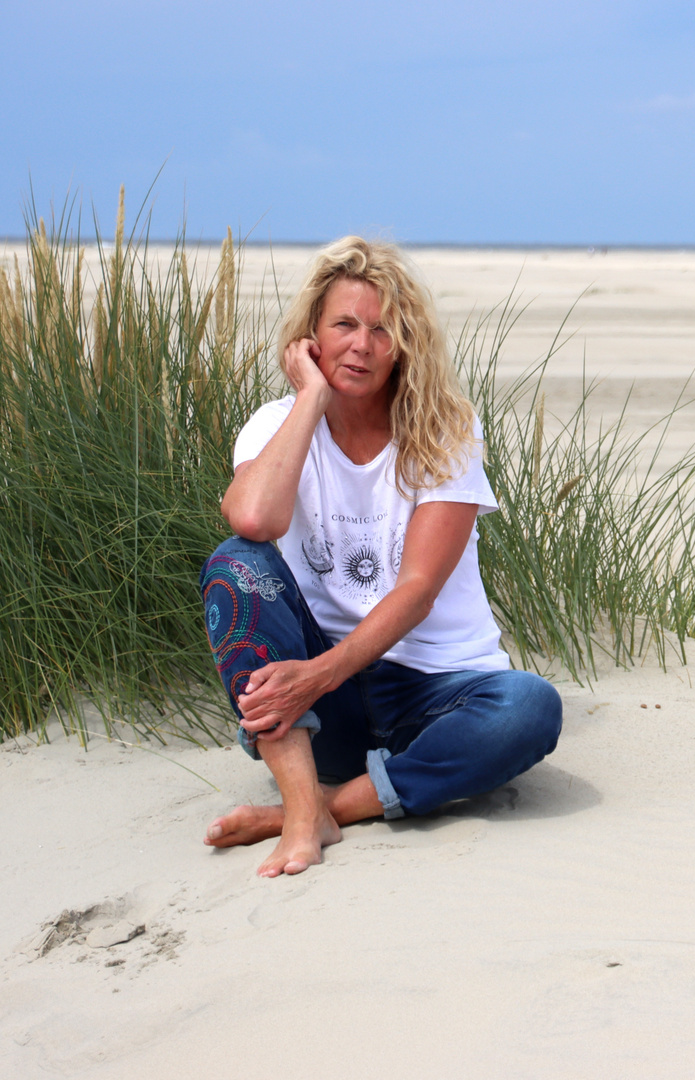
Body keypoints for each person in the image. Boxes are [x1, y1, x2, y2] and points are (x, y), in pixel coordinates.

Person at [200, 236, 561, 878]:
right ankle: (309, 795)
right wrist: (310, 399)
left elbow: (418, 590)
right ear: (311, 333)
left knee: (529, 709)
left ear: (405, 346)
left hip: (436, 690)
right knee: (236, 563)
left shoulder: (443, 434)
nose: (361, 346)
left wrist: (320, 673)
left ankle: (309, 809)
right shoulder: (274, 425)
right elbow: (254, 520)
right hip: (326, 715)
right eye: (343, 324)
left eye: (383, 330)